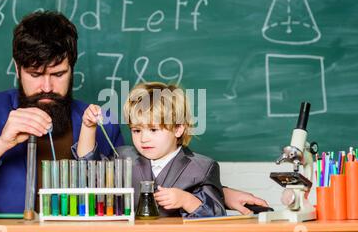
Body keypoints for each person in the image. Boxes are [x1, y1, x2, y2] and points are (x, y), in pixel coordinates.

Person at [0, 11, 124, 213]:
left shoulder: (104, 123)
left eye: (58, 74)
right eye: (35, 74)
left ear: (72, 68)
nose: (47, 87)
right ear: (17, 69)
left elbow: (128, 198)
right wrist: (0, 145)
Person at [77, 82, 268, 217]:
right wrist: (88, 126)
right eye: (136, 130)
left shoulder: (202, 167)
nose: (143, 138)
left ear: (178, 128)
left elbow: (215, 213)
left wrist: (186, 201)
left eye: (153, 129)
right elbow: (87, 166)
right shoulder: (123, 158)